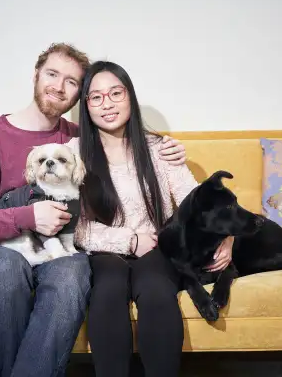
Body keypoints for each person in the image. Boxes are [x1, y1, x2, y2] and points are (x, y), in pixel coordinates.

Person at [0, 43, 188, 377]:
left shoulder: (78, 142)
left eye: (71, 82)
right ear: (36, 75)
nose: (59, 87)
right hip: (1, 249)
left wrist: (168, 147)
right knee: (6, 270)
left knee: (72, 272)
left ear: (79, 97)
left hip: (57, 247)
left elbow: (123, 146)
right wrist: (27, 217)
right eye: (52, 74)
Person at [69, 60, 235, 377]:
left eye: (115, 93)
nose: (107, 104)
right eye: (96, 97)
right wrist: (130, 240)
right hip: (102, 252)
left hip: (156, 248)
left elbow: (194, 200)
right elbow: (72, 227)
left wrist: (226, 235)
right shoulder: (72, 152)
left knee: (156, 288)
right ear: (86, 106)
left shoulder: (159, 148)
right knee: (109, 287)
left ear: (130, 96)